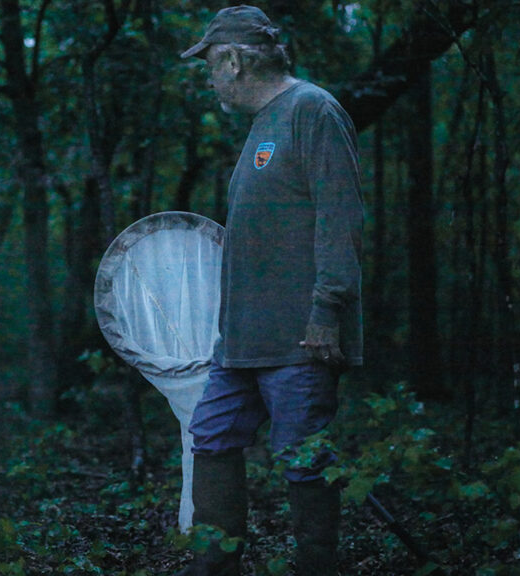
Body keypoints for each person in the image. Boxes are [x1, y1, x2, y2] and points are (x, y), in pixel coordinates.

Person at [175, 5, 364, 575]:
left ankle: (315, 566)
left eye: (210, 63)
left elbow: (341, 217)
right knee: (210, 435)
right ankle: (215, 567)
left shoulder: (312, 110)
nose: (209, 76)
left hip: (300, 339)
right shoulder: (264, 123)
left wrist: (326, 310)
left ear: (234, 60)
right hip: (242, 341)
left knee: (303, 462)